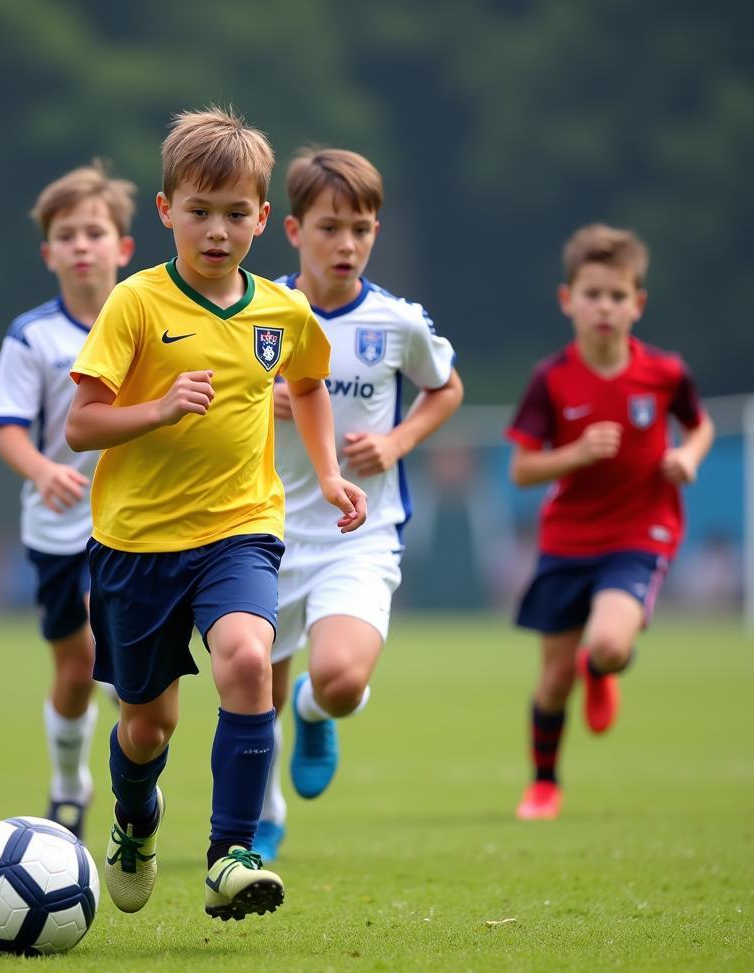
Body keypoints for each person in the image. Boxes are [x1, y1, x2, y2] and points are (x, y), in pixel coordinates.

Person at [65, 107, 368, 920]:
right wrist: (157, 411)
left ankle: (232, 852)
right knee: (147, 728)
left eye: (236, 214)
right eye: (199, 211)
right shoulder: (134, 305)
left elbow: (306, 384)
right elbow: (81, 423)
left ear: (264, 220)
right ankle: (135, 819)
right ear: (165, 211)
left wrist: (331, 473)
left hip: (241, 529)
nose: (217, 230)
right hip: (134, 546)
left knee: (245, 657)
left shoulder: (281, 311)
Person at [251, 149, 464, 863]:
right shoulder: (257, 312)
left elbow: (447, 387)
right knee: (254, 695)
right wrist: (260, 401)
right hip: (262, 530)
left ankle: (319, 711)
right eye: (330, 227)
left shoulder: (396, 322)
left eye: (362, 229)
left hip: (358, 532)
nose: (347, 244)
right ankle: (264, 810)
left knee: (341, 682)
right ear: (292, 229)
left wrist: (401, 439)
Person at [507, 223, 715, 821]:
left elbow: (700, 425)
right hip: (567, 540)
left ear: (638, 305)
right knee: (552, 682)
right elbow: (522, 470)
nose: (605, 307)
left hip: (639, 534)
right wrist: (574, 454)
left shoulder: (666, 374)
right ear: (567, 300)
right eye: (593, 294)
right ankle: (544, 784)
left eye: (618, 296)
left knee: (609, 643)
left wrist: (688, 457)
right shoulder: (551, 379)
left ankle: (602, 666)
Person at [0, 162, 135, 839]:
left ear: (122, 247)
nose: (82, 245)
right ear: (48, 253)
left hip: (133, 524)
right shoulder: (32, 336)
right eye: (67, 235)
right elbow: (8, 430)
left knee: (108, 649)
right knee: (75, 671)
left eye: (95, 232)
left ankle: (127, 787)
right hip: (56, 529)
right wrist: (43, 470)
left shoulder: (149, 323)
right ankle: (68, 783)